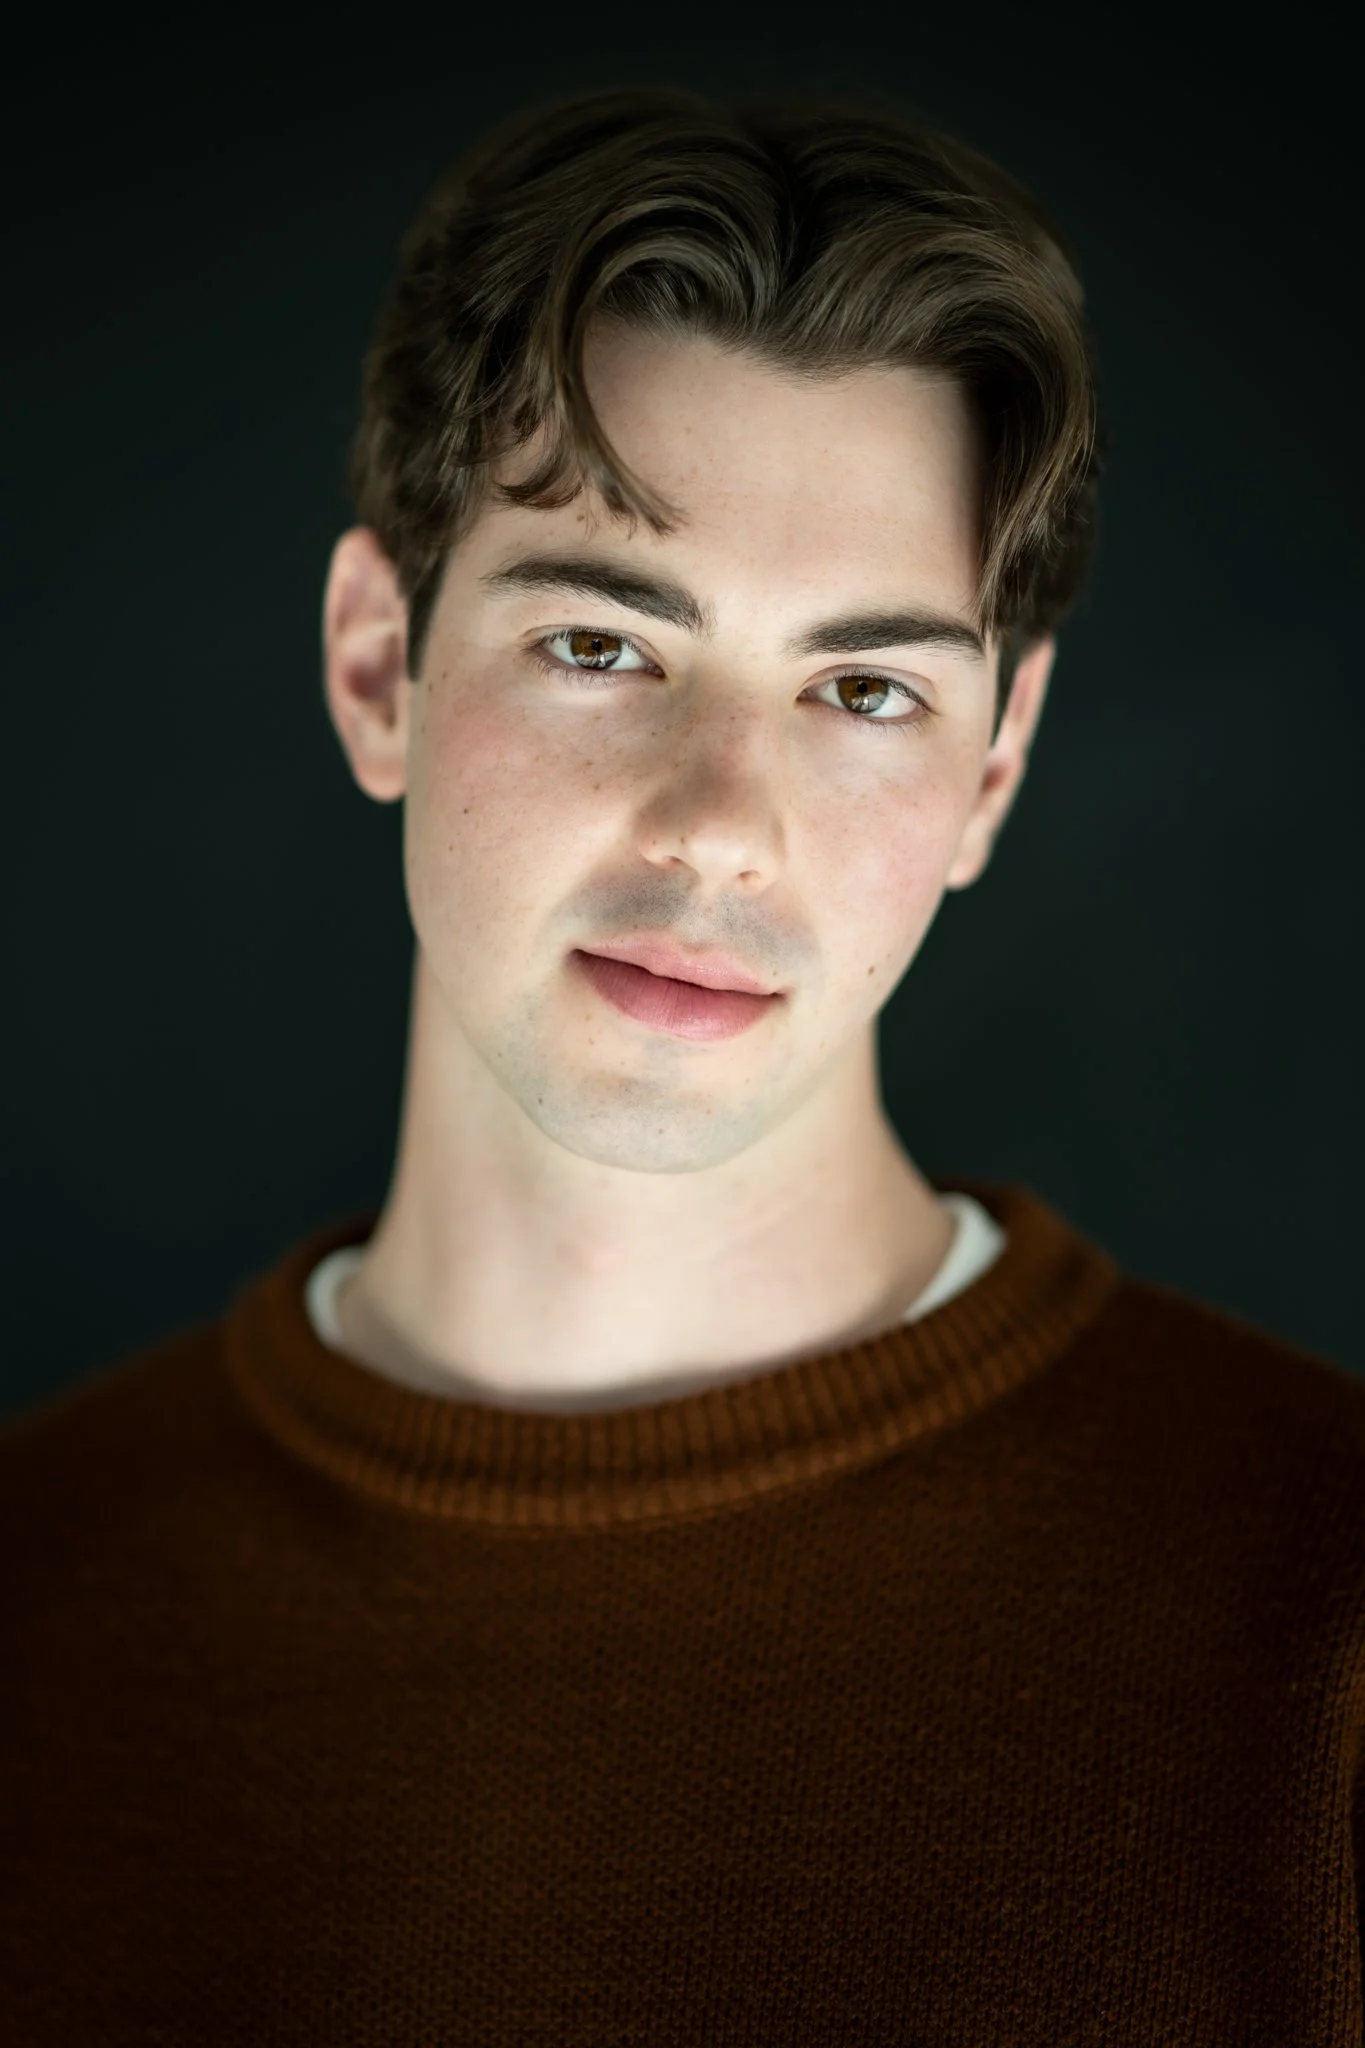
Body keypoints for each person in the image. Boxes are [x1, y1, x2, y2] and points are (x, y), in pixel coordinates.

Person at [3, 88, 1363, 2046]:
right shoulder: (31, 1604)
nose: (720, 824)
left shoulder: (1321, 1646)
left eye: (864, 691)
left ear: (992, 767)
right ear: (379, 661)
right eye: (602, 646)